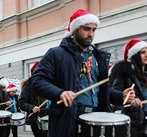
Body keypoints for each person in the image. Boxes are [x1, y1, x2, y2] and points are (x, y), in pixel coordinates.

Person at [29, 9, 136, 137]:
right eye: (86, 29)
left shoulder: (97, 57)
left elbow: (100, 89)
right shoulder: (56, 54)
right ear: (75, 30)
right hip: (68, 118)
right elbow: (36, 81)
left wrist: (121, 96)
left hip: (95, 118)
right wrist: (60, 93)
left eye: (93, 30)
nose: (91, 34)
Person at [109, 39, 147, 137]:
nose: (146, 55)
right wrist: (130, 99)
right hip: (136, 120)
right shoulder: (126, 73)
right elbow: (115, 93)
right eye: (143, 53)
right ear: (135, 55)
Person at [18, 61, 48, 137]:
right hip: (36, 118)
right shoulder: (28, 87)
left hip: (48, 116)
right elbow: (21, 103)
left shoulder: (47, 85)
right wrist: (32, 108)